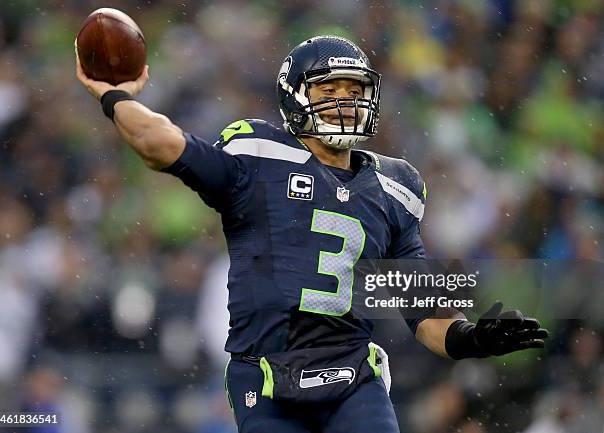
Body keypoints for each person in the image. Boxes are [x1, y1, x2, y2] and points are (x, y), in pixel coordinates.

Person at [76, 35, 549, 433]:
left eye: (355, 88)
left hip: (353, 374)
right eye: (329, 88)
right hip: (266, 374)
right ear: (295, 96)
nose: (346, 100)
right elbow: (161, 145)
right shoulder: (257, 155)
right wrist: (114, 96)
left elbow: (423, 315)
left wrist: (470, 339)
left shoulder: (395, 189)